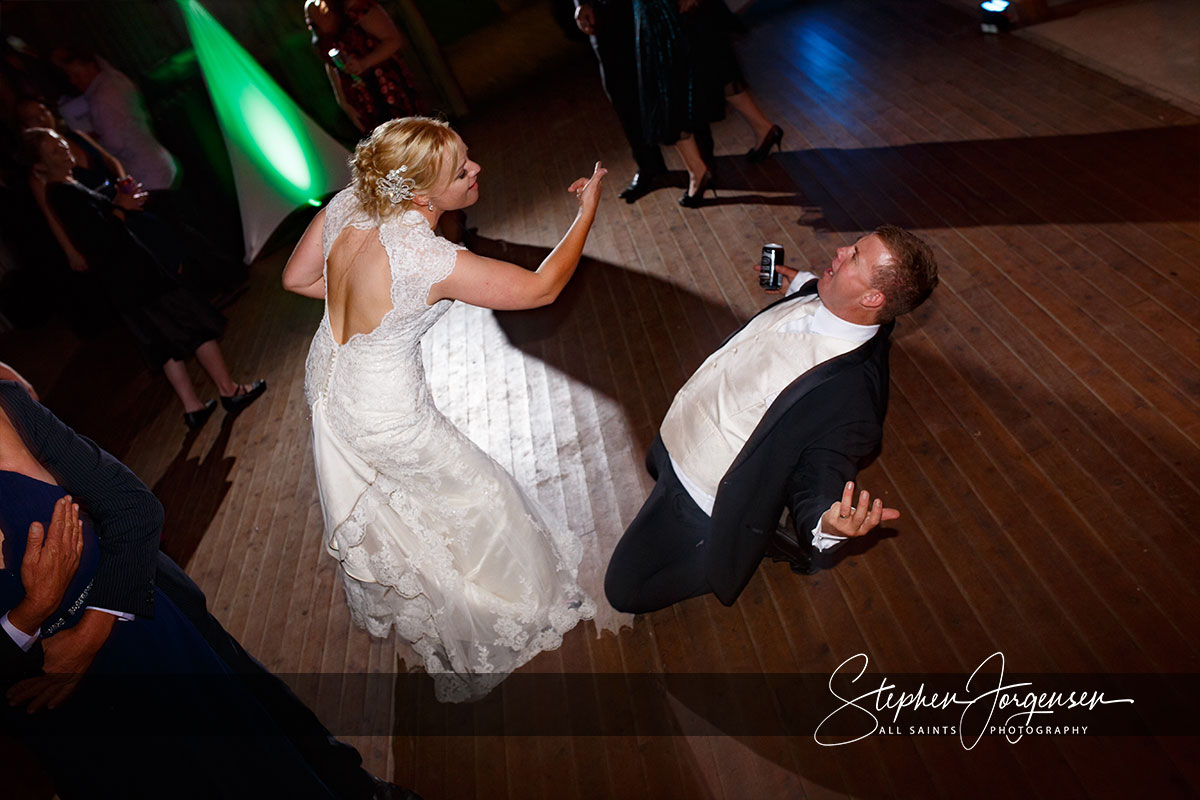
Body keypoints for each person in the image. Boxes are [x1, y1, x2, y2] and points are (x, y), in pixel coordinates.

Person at [283, 116, 602, 702]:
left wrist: (364, 301)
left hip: (330, 380)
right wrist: (586, 215)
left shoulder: (351, 202)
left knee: (413, 507)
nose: (475, 169)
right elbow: (540, 290)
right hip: (385, 410)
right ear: (424, 194)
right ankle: (513, 611)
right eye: (461, 171)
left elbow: (298, 280)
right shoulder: (422, 257)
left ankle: (449, 592)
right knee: (480, 495)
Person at [0, 376, 421, 800]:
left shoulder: (7, 407)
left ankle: (356, 788)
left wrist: (86, 633)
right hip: (56, 706)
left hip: (148, 617)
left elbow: (128, 502)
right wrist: (28, 618)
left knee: (259, 708)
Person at [604, 226, 939, 613]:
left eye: (855, 257)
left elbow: (825, 466)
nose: (840, 250)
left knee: (624, 592)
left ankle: (746, 545)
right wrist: (798, 280)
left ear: (872, 297)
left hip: (704, 490)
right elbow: (824, 290)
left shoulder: (851, 399)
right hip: (677, 435)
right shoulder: (837, 300)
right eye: (854, 245)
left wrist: (825, 523)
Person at [25, 127, 265, 430]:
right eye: (54, 150)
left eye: (61, 143)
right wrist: (122, 210)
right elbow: (100, 238)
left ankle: (192, 407)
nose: (64, 149)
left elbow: (98, 221)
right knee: (195, 325)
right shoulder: (62, 192)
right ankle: (230, 391)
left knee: (164, 342)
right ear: (40, 165)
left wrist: (119, 202)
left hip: (125, 282)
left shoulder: (66, 187)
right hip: (135, 276)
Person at [631, 0, 783, 206]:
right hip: (666, 11)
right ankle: (764, 129)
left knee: (669, 90)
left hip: (665, 13)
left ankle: (697, 171)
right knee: (713, 70)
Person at [574, 0, 713, 203]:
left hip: (645, 8)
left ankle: (704, 157)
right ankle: (650, 165)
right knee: (622, 95)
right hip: (603, 16)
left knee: (673, 81)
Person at [51, 48, 178, 192]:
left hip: (147, 173)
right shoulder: (116, 79)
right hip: (159, 162)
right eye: (70, 76)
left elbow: (115, 142)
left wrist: (92, 143)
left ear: (92, 67)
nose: (74, 81)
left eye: (77, 75)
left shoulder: (101, 98)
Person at [305, 0, 426, 133]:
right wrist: (342, 100)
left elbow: (394, 40)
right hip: (359, 96)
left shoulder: (355, 4)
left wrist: (364, 63)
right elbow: (329, 61)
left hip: (385, 86)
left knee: (407, 135)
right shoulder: (311, 8)